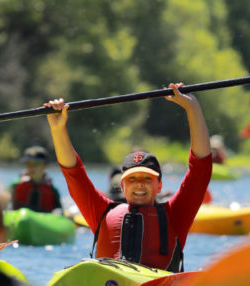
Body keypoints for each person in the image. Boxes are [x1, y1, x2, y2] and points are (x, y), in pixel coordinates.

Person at [45, 83, 212, 271]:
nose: (139, 184)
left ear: (159, 186)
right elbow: (73, 173)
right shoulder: (101, 211)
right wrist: (58, 130)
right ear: (122, 186)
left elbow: (201, 170)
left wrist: (193, 108)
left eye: (147, 178)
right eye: (132, 179)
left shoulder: (175, 214)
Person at [7, 146, 62, 212]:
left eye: (36, 164)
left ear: (45, 165)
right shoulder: (15, 185)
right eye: (29, 164)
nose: (32, 167)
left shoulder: (53, 190)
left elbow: (59, 211)